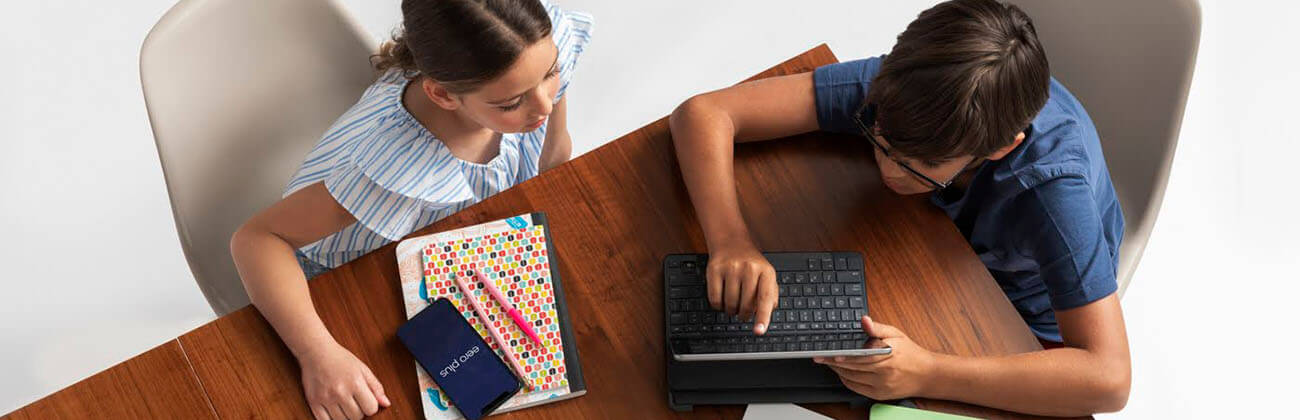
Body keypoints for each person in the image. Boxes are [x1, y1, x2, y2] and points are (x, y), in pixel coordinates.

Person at [667, 0, 1128, 415]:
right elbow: (705, 113)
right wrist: (730, 241)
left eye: (921, 165)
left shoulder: (1052, 194)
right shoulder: (910, 89)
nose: (889, 171)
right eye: (880, 138)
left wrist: (929, 372)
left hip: (1023, 307)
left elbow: (1108, 380)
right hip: (928, 245)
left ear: (1000, 149)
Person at [229, 1, 592, 418]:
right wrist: (319, 355)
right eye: (511, 103)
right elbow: (257, 240)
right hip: (350, 275)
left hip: (455, 241)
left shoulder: (531, 52)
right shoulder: (391, 168)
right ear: (441, 93)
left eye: (550, 74)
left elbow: (552, 154)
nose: (544, 105)